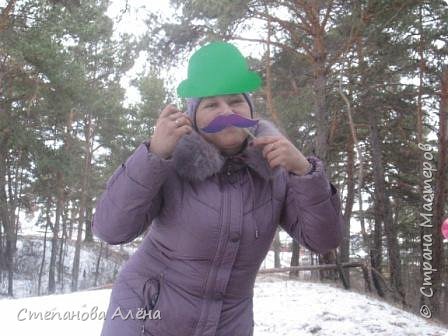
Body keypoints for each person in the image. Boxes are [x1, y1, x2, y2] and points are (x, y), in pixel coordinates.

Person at [92, 41, 344, 336]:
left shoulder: (275, 166)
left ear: (249, 109)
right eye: (211, 104)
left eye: (235, 100)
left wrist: (305, 172)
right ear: (194, 116)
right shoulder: (169, 162)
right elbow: (111, 230)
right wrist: (152, 156)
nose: (226, 111)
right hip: (144, 317)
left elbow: (324, 240)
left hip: (228, 325)